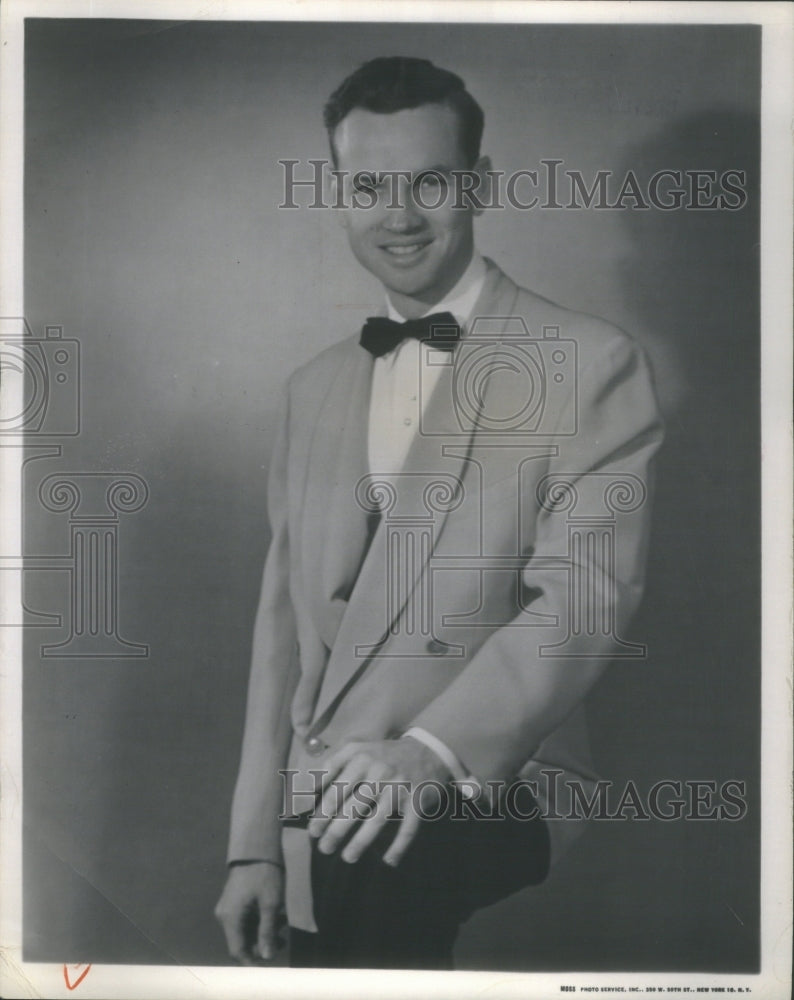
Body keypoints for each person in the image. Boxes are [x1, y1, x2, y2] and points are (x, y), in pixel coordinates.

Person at [215, 56, 664, 970]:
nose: (400, 215)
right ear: (338, 194)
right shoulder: (312, 390)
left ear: (480, 185)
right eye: (369, 186)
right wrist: (255, 844)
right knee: (338, 880)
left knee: (376, 861)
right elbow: (283, 642)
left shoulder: (589, 360)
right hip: (327, 787)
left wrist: (430, 752)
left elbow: (584, 599)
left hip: (502, 769)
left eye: (430, 181)